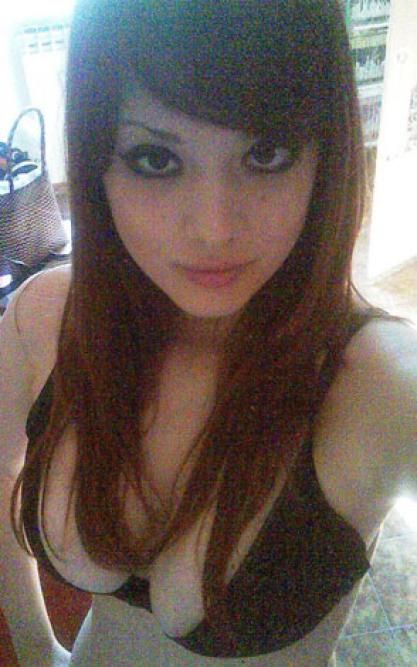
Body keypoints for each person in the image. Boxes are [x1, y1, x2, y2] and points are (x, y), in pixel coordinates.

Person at [1, 0, 416, 665]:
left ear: (325, 156)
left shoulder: (385, 386)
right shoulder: (46, 316)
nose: (215, 228)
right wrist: (35, 649)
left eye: (267, 152)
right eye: (155, 159)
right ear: (96, 161)